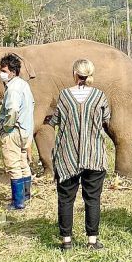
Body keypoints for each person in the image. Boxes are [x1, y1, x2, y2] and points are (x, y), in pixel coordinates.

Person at [45, 59, 111, 251]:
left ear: (74, 73)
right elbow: (106, 119)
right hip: (94, 155)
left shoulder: (64, 96)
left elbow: (55, 120)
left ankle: (66, 241)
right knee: (93, 198)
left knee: (66, 198)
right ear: (91, 74)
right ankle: (92, 240)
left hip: (67, 156)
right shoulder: (100, 96)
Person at [0, 53, 35, 210]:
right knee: (23, 163)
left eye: (4, 70)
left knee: (13, 166)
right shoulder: (23, 85)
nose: (2, 73)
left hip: (13, 131)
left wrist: (7, 127)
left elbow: (12, 109)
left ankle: (17, 202)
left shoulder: (12, 89)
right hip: (25, 131)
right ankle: (26, 196)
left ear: (13, 71)